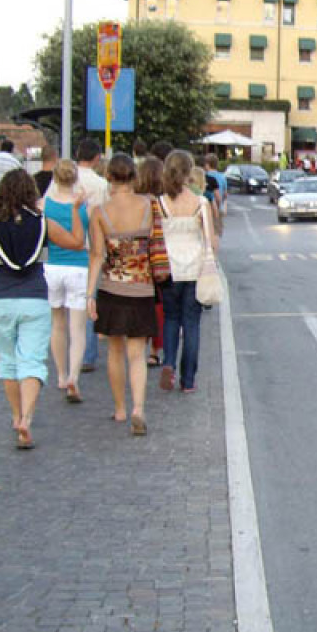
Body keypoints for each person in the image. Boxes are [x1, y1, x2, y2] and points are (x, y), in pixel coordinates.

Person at [0, 168, 85, 449]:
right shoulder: (42, 223)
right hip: (35, 298)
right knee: (33, 360)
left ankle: (15, 416)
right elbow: (76, 242)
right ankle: (27, 417)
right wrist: (75, 210)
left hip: (1, 297)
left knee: (8, 362)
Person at [85, 153, 157, 436]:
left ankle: (120, 408)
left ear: (110, 178)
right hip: (142, 286)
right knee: (137, 353)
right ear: (134, 177)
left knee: (115, 350)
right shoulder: (149, 206)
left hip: (111, 287)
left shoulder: (100, 212)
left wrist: (89, 295)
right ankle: (139, 408)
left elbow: (96, 256)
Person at [157, 150, 214, 394]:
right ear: (190, 172)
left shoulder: (160, 203)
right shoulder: (200, 203)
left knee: (171, 318)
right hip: (195, 268)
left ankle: (168, 361)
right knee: (192, 324)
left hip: (168, 267)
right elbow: (209, 238)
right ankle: (188, 380)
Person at [43, 160, 91, 403]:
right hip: (78, 267)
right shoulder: (83, 206)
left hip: (51, 266)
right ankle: (74, 375)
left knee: (57, 324)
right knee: (78, 328)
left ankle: (61, 375)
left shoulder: (44, 205)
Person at [74, 139, 108, 373]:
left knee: (67, 305)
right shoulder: (100, 184)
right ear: (96, 158)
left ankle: (72, 351)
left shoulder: (64, 178)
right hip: (91, 246)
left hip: (63, 247)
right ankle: (87, 354)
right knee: (89, 299)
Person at [136, 156, 166, 368]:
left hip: (136, 259)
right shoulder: (162, 202)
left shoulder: (135, 201)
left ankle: (140, 344)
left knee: (140, 304)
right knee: (158, 305)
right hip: (158, 257)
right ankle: (155, 350)